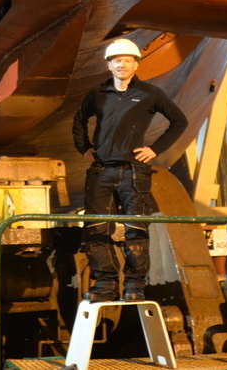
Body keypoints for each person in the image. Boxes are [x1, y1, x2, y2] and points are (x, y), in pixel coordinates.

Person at [72, 39, 188, 302]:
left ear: (136, 63)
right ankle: (105, 286)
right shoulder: (97, 93)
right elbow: (79, 119)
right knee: (96, 229)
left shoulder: (151, 93)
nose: (121, 64)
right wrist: (84, 147)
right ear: (109, 65)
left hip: (134, 173)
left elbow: (179, 121)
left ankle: (135, 287)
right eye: (116, 60)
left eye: (126, 59)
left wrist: (155, 149)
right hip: (101, 171)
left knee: (136, 230)